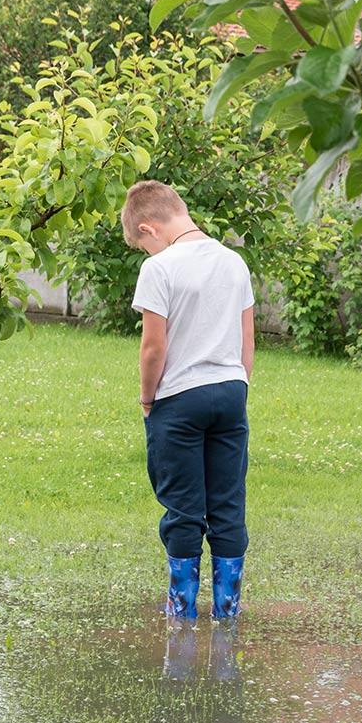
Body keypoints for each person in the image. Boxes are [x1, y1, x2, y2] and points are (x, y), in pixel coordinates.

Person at [122, 180, 254, 621]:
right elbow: (246, 342)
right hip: (232, 392)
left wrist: (147, 400)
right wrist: (238, 390)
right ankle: (227, 612)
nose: (147, 255)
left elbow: (153, 348)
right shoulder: (234, 262)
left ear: (148, 228)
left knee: (184, 509)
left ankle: (181, 616)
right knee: (227, 505)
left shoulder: (160, 269)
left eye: (143, 246)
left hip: (179, 399)